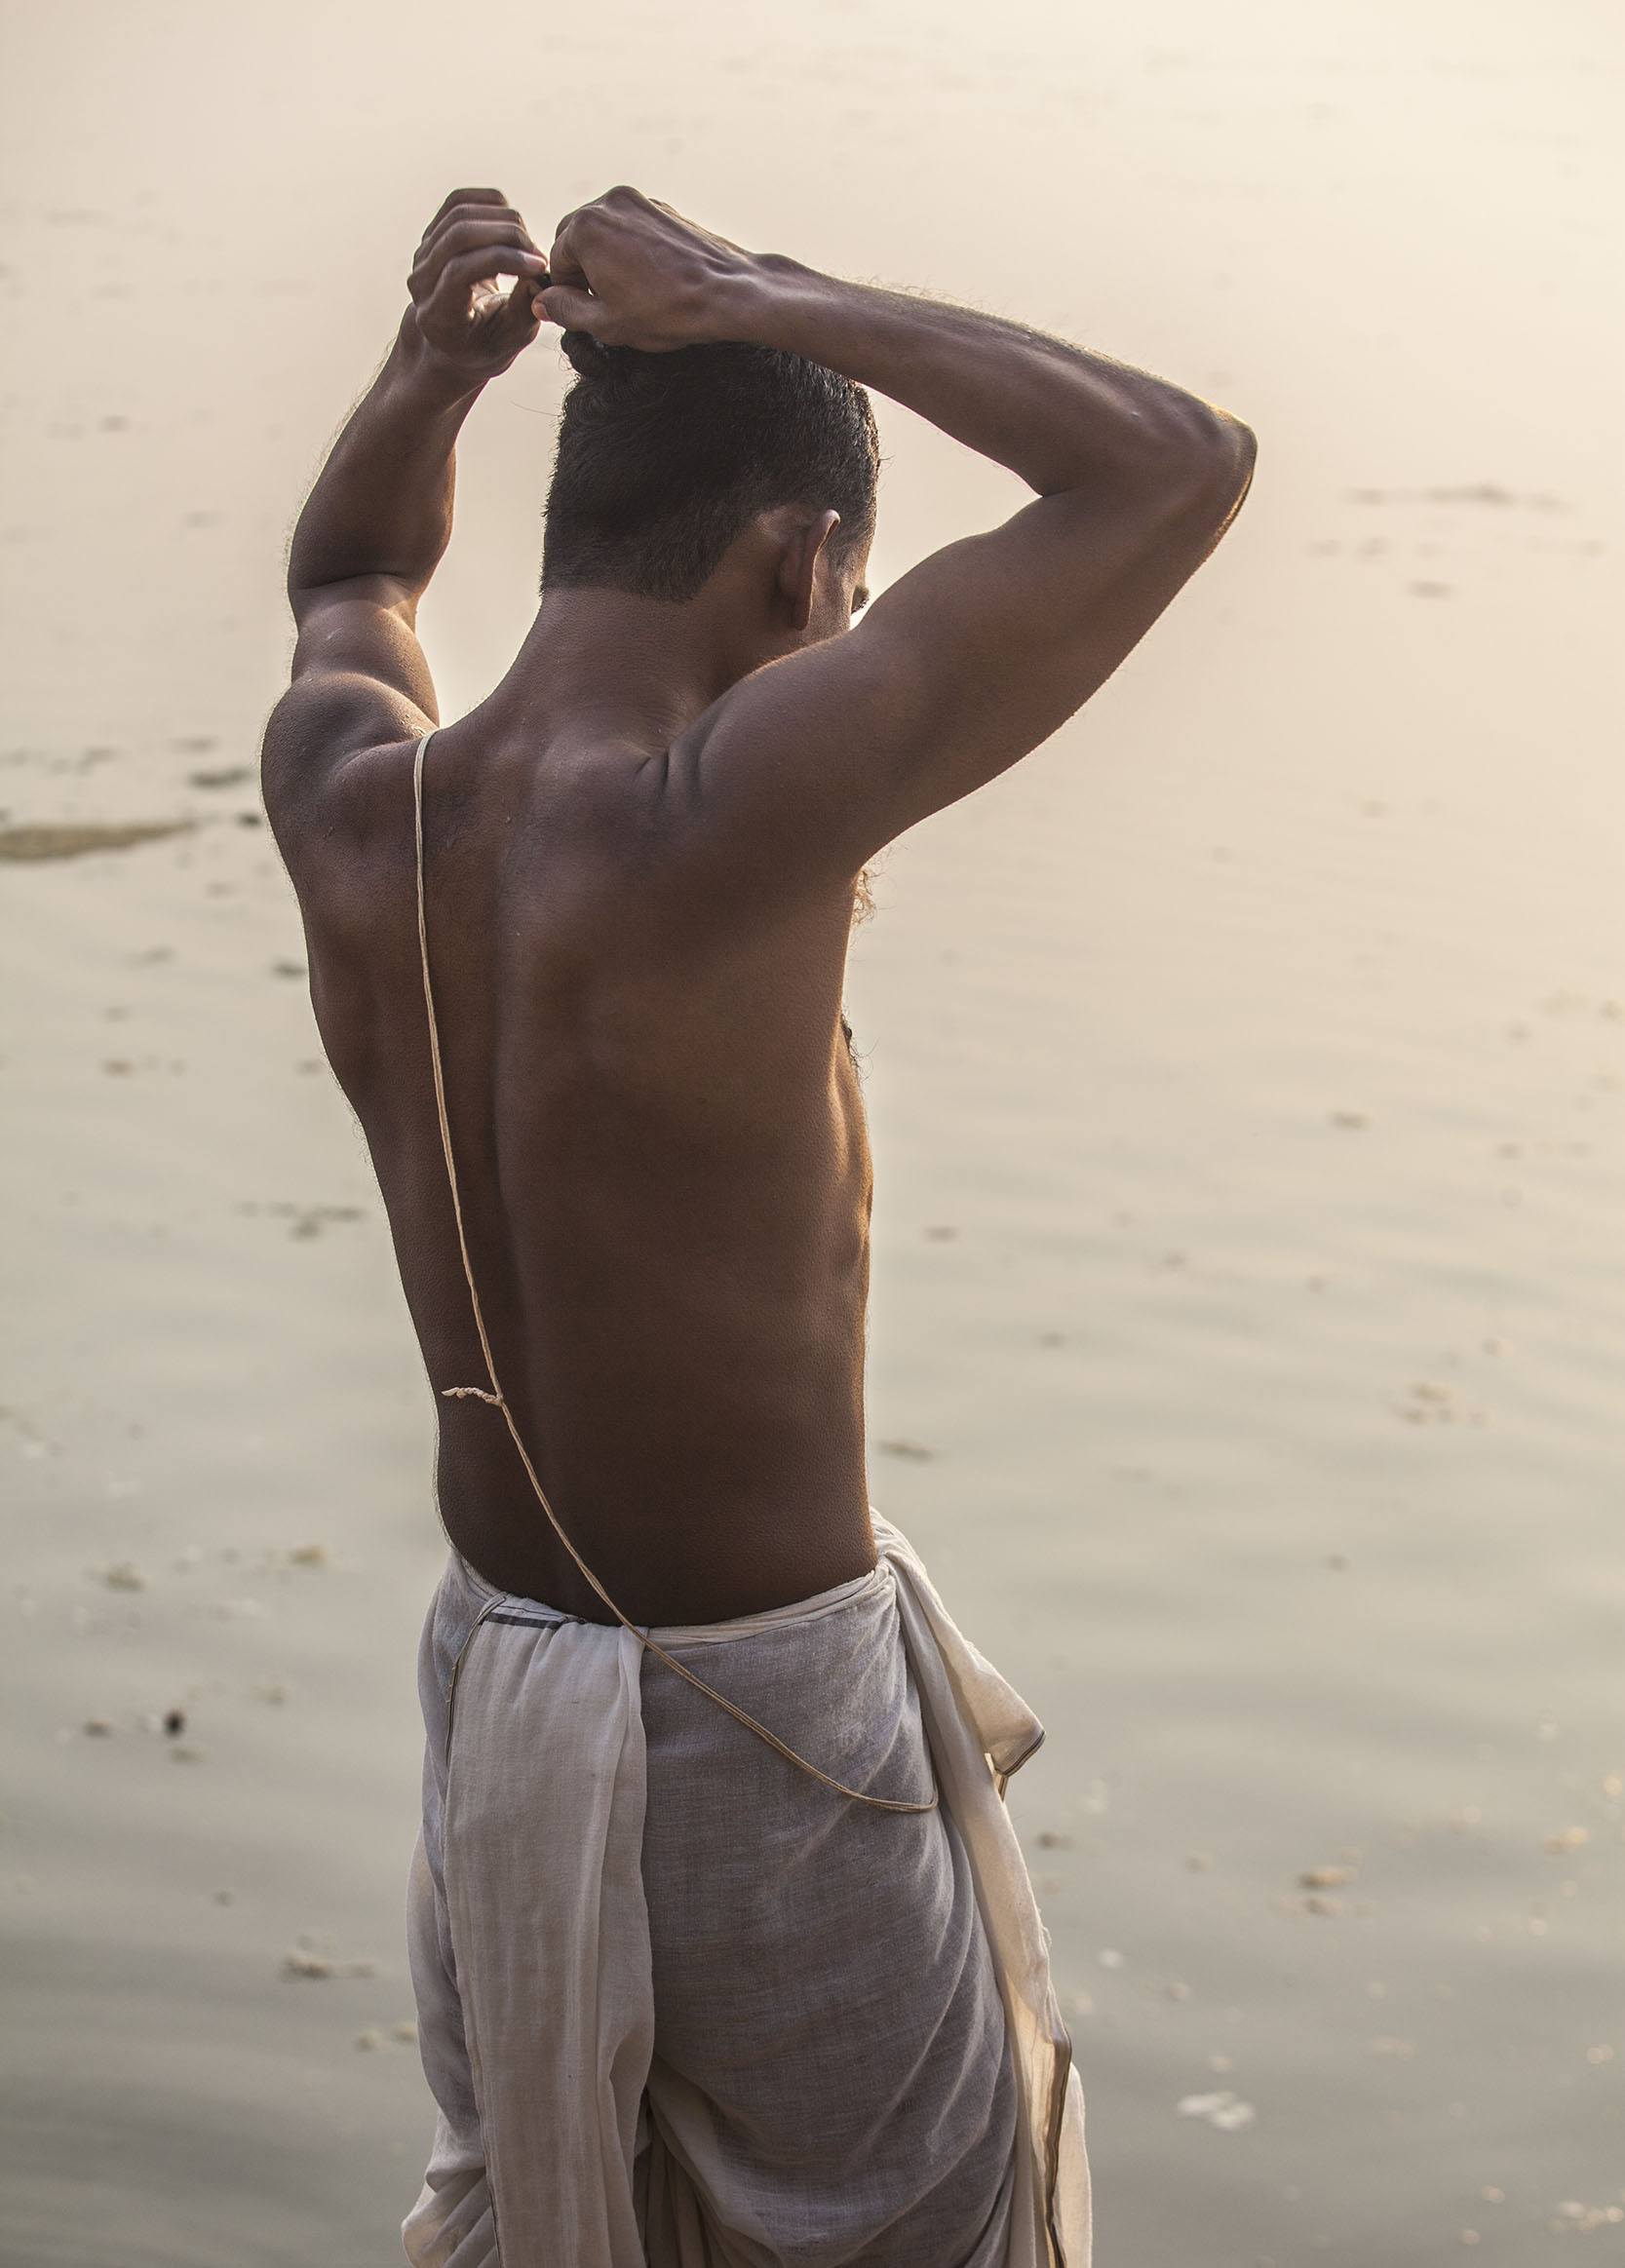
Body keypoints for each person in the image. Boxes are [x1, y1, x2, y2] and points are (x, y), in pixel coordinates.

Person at [260, 182, 1255, 2268]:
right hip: (762, 1732)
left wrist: (433, 375)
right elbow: (1175, 463)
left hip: (500, 1689)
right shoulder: (724, 809)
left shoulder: (359, 797)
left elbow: (352, 566)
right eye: (846, 577)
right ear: (805, 562)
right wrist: (757, 299)